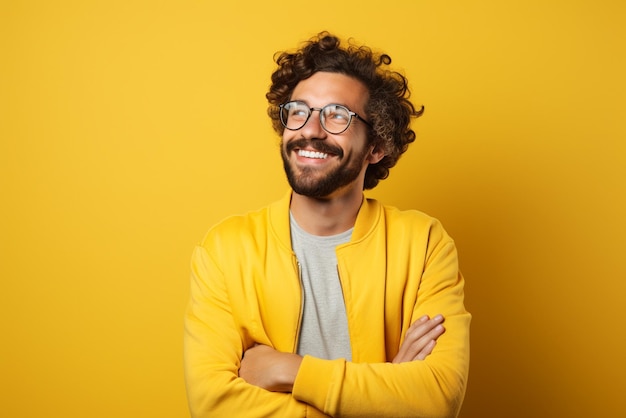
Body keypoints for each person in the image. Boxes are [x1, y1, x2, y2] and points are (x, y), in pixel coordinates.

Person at [184, 32, 470, 418]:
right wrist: (383, 392)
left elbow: (437, 401)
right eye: (298, 110)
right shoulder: (226, 248)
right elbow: (212, 405)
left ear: (377, 146)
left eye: (337, 115)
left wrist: (286, 369)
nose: (311, 130)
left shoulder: (423, 244)